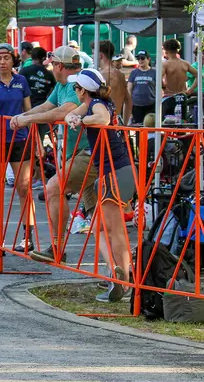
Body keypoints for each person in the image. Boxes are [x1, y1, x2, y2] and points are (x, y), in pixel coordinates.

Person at [11, 46, 96, 264]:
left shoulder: (76, 84)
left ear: (59, 65)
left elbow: (63, 111)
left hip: (89, 153)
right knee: (99, 216)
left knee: (53, 188)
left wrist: (26, 120)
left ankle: (58, 249)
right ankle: (116, 272)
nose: (51, 68)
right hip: (81, 153)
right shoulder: (62, 84)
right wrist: (21, 116)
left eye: (52, 64)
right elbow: (48, 105)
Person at [64, 69, 134, 302]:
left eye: (76, 88)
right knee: (100, 230)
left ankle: (123, 283)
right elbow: (71, 114)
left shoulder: (97, 105)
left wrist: (81, 120)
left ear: (82, 90)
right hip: (117, 171)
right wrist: (73, 117)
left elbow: (102, 119)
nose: (74, 91)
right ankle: (115, 273)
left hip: (114, 171)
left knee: (114, 230)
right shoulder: (95, 102)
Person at [0, 43, 34, 255]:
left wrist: (34, 140)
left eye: (6, 58)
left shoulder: (21, 81)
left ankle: (27, 237)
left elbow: (28, 111)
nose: (2, 62)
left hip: (20, 139)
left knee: (24, 187)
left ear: (13, 60)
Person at [96, 40, 131, 124]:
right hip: (117, 120)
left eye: (94, 53)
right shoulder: (120, 75)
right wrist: (125, 123)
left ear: (100, 55)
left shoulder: (102, 75)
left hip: (106, 122)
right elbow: (128, 101)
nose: (93, 56)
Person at [127, 50, 155, 125]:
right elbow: (129, 89)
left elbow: (160, 87)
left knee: (150, 125)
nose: (140, 60)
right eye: (138, 58)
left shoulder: (154, 72)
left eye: (142, 58)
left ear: (148, 59)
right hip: (136, 105)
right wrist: (129, 104)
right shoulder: (134, 72)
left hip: (151, 105)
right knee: (138, 127)